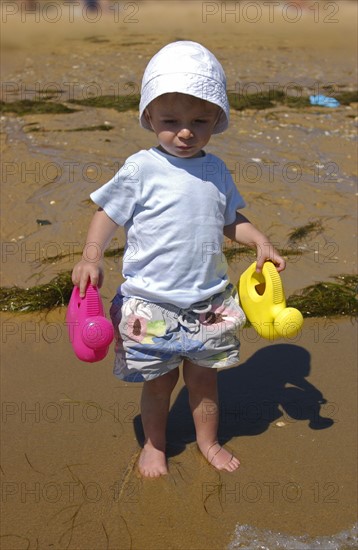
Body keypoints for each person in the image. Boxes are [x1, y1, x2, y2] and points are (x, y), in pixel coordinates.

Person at [71, 41, 286, 478]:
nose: (185, 132)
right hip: (151, 303)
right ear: (150, 117)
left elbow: (231, 220)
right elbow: (107, 212)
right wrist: (91, 256)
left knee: (205, 381)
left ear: (217, 121)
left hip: (208, 302)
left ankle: (207, 441)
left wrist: (259, 240)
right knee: (159, 382)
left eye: (199, 121)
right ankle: (154, 445)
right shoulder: (140, 168)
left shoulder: (216, 170)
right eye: (171, 121)